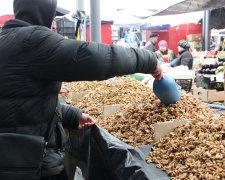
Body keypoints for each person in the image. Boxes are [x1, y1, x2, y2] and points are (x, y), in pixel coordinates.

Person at [0, 0, 163, 179]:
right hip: (28, 165)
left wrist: (70, 116)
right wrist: (148, 60)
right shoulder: (34, 40)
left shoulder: (6, 40)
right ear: (42, 13)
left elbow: (20, 100)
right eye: (53, 17)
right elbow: (94, 57)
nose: (53, 23)